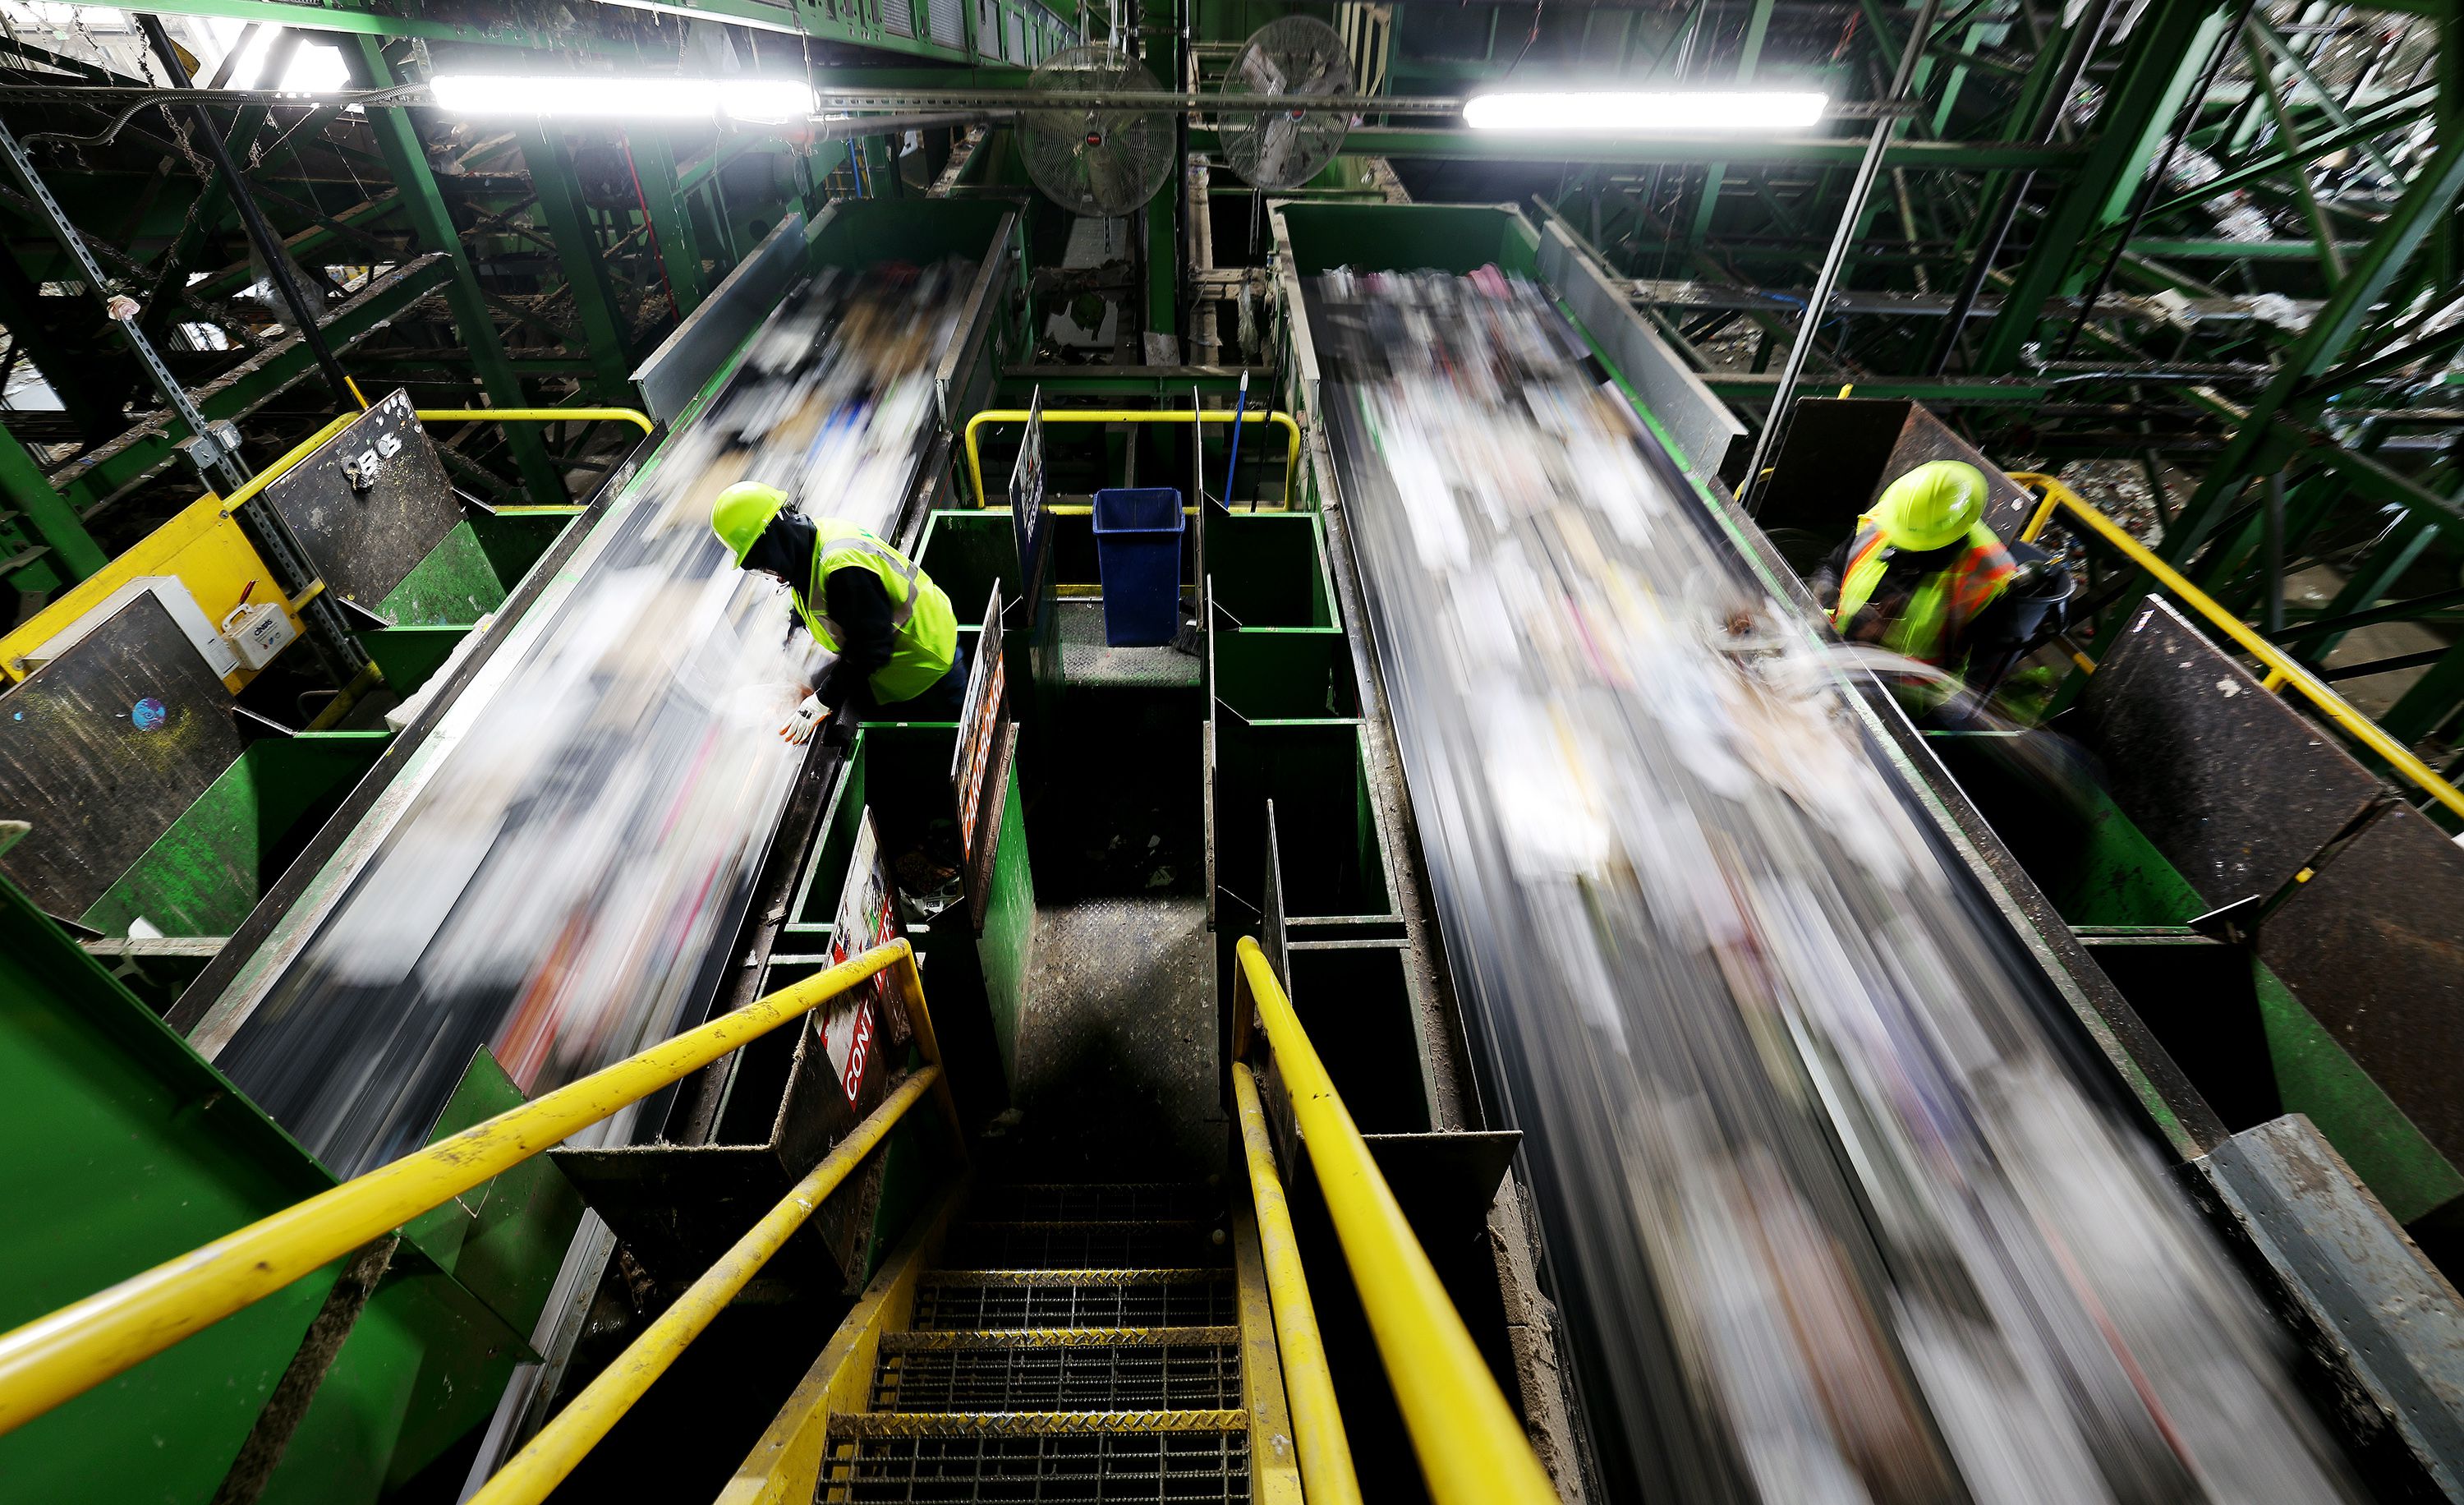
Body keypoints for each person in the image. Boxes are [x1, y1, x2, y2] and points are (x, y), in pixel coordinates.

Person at [711, 481, 964, 742]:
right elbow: (810, 592)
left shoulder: (841, 568)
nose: (771, 576)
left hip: (926, 666)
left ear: (772, 546)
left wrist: (822, 700)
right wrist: (794, 633)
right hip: (908, 659)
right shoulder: (810, 542)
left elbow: (871, 649)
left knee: (952, 744)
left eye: (763, 566)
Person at [1813, 459, 2021, 679]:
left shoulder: (1988, 575)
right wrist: (1823, 595)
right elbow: (1833, 566)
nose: (1903, 545)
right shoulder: (1889, 516)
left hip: (1903, 698)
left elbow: (1981, 675)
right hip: (1832, 659)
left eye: (1914, 544)